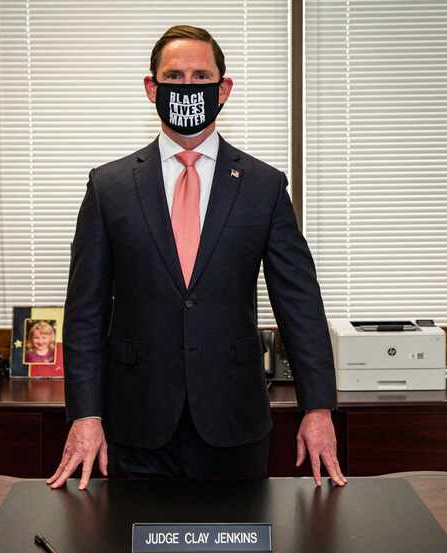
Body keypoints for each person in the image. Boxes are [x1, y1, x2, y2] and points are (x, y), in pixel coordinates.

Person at [48, 25, 346, 490]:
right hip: (136, 425)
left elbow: (299, 305)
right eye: (175, 76)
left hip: (234, 423)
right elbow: (85, 312)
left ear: (223, 89)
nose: (188, 88)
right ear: (152, 88)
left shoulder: (264, 186)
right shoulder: (109, 187)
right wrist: (85, 414)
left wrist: (318, 407)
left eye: (201, 76)